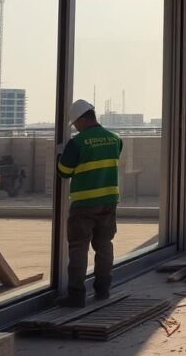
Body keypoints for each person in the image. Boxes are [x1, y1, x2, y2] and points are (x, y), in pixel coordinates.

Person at [55, 99, 123, 307]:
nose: (75, 127)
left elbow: (64, 172)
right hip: (109, 201)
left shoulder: (78, 142)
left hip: (84, 204)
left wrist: (61, 156)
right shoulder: (115, 139)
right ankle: (103, 290)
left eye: (75, 123)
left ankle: (76, 296)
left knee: (78, 248)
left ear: (82, 119)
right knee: (104, 246)